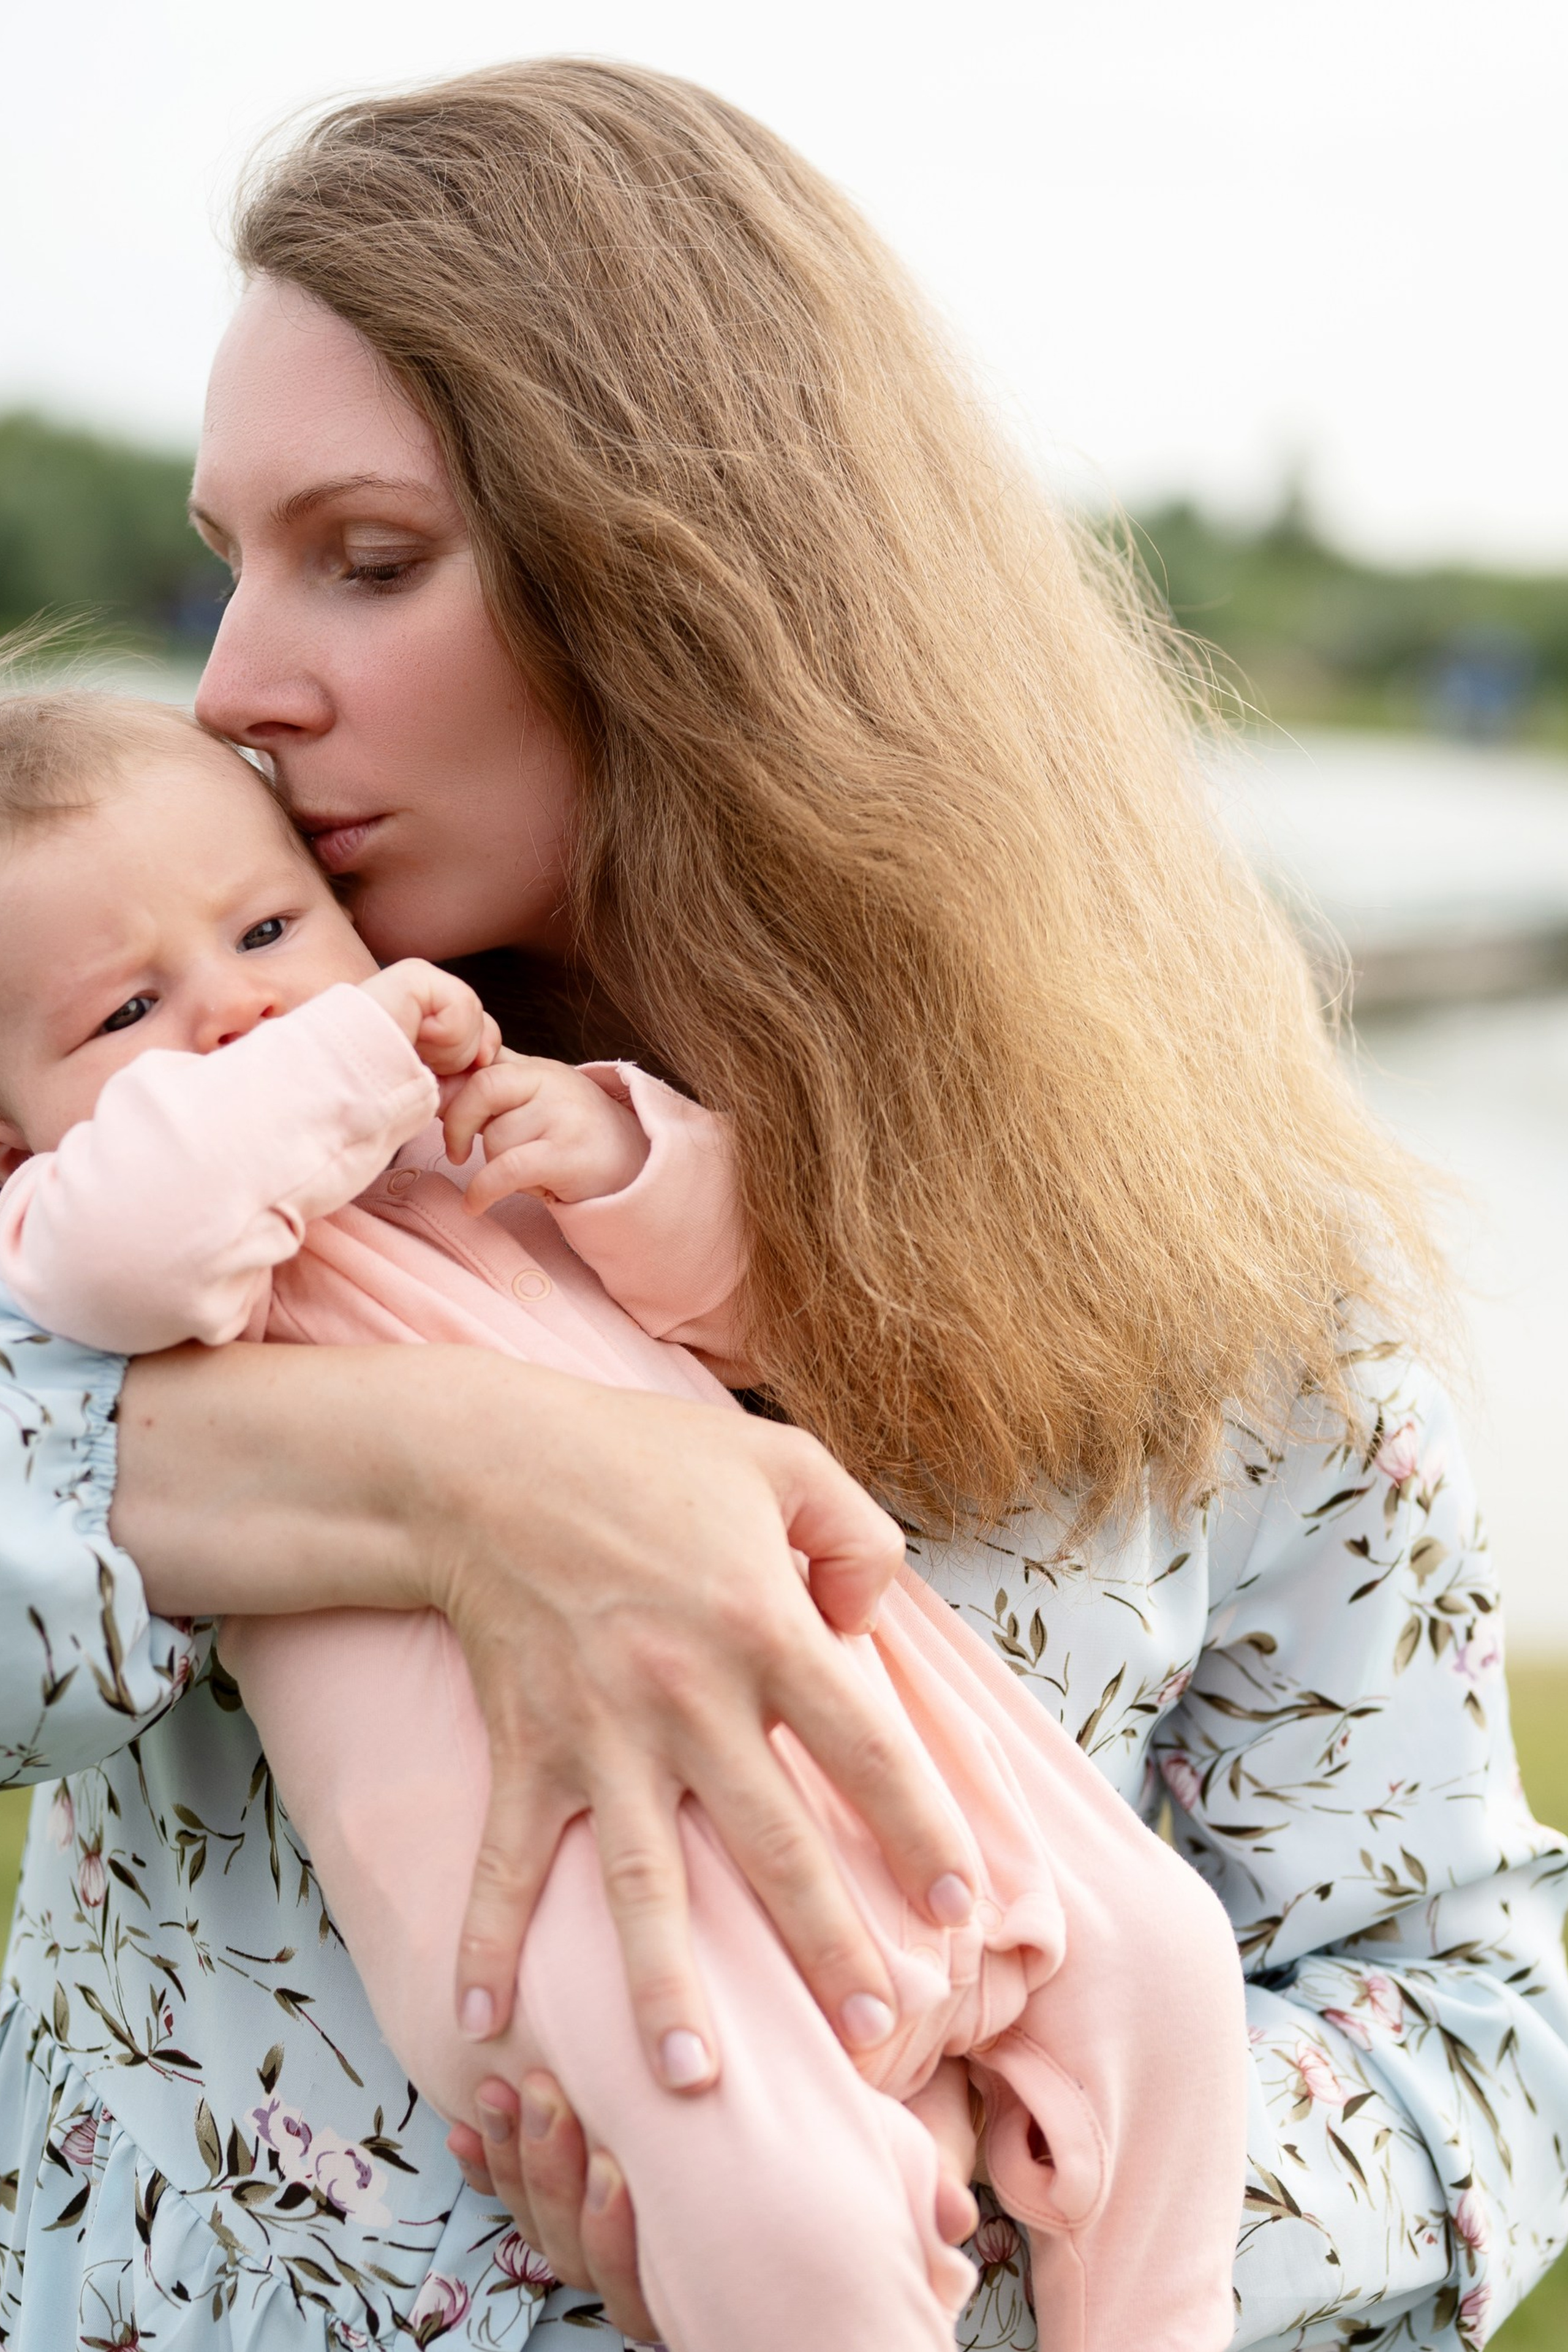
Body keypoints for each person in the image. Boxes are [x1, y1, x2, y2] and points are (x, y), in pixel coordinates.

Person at [1, 55, 1564, 2352]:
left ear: (686, 588)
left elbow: (1483, 2027)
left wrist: (966, 2223)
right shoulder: (141, 1113)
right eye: (232, 565)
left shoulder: (1225, 1259)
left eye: (369, 559)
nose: (234, 688)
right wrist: (461, 1475)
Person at [0, 692, 1248, 2352]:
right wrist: (353, 1037)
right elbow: (140, 1233)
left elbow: (767, 1296)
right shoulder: (94, 1250)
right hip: (591, 1901)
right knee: (788, 2229)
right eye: (128, 1010)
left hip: (900, 1752)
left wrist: (622, 1151)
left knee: (1164, 1964)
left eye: (269, 926)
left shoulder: (456, 1144)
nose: (232, 1012)